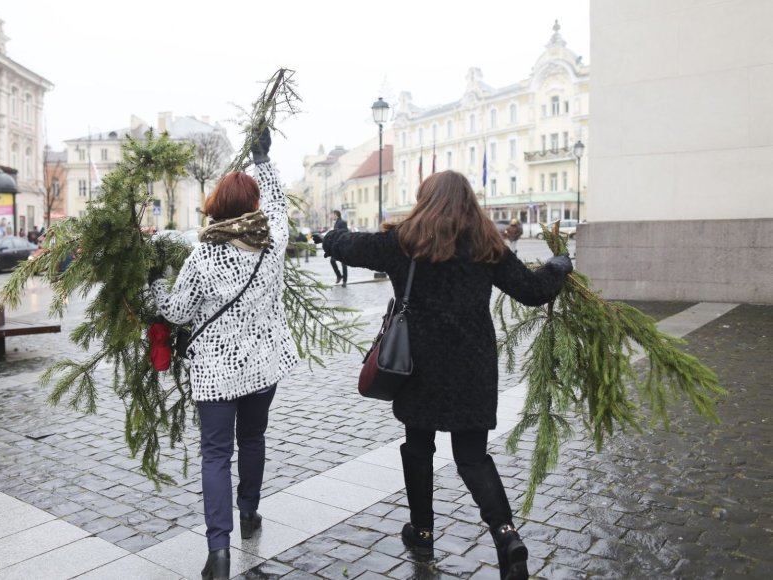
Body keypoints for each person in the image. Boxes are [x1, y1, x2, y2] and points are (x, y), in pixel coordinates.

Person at [319, 170, 572, 580]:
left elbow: (348, 245)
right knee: (471, 456)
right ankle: (507, 537)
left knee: (418, 447)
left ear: (425, 199)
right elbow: (533, 291)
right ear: (468, 202)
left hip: (417, 364)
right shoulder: (489, 245)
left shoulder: (404, 241)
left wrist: (330, 236)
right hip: (472, 365)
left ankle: (422, 532)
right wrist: (558, 267)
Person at [151, 128, 296, 580]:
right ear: (252, 207)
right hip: (262, 367)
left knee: (215, 456)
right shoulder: (273, 244)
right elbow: (278, 206)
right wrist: (263, 159)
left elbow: (175, 311)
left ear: (216, 206)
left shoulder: (203, 256)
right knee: (253, 439)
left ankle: (219, 552)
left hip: (216, 374)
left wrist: (154, 282)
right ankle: (250, 512)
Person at [329, 209, 348, 286]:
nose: (331, 216)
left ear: (336, 215)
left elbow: (345, 232)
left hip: (342, 245)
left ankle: (344, 281)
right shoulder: (336, 223)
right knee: (332, 261)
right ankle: (339, 276)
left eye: (332, 214)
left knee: (344, 263)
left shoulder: (342, 222)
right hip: (336, 246)